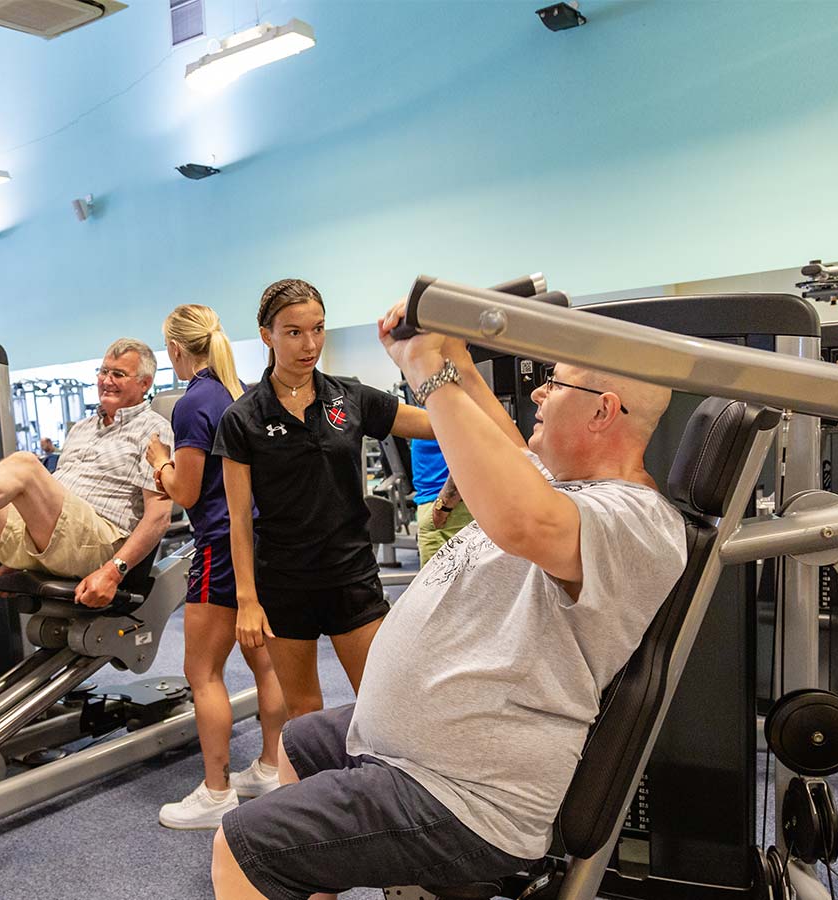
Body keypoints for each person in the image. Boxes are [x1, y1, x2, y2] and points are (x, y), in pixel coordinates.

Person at [209, 303, 685, 900]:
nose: (536, 395)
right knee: (303, 746)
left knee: (242, 847)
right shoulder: (562, 484)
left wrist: (426, 369)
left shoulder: (636, 519)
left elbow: (521, 520)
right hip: (419, 749)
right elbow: (503, 442)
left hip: (469, 792)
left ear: (602, 411)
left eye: (553, 383)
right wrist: (455, 354)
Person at [214, 279, 433, 723]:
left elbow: (437, 424)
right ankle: (310, 792)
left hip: (351, 576)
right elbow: (238, 520)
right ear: (267, 336)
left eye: (318, 329)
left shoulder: (349, 396)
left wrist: (449, 375)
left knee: (381, 706)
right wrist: (247, 600)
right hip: (284, 582)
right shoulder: (243, 418)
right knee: (304, 713)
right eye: (294, 332)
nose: (309, 343)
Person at [145, 304, 288, 830]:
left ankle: (216, 792)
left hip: (220, 547)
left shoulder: (193, 402)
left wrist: (158, 455)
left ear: (177, 349)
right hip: (258, 539)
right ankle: (272, 766)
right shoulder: (241, 390)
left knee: (201, 673)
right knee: (263, 661)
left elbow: (183, 490)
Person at [0, 339, 172, 606]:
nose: (106, 380)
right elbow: (58, 502)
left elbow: (158, 517)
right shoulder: (82, 428)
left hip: (97, 544)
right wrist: (19, 559)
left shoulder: (154, 430)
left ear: (144, 383)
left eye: (118, 374)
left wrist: (113, 572)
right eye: (103, 371)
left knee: (26, 465)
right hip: (52, 538)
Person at [410, 440, 472, 564]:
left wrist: (443, 507)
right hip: (447, 506)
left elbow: (471, 452)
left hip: (450, 510)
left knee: (437, 582)